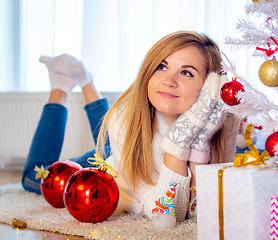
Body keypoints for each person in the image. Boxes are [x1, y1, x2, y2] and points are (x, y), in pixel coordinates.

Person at [22, 31, 239, 225]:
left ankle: (85, 80)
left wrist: (200, 133)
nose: (169, 80)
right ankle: (60, 90)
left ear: (208, 88)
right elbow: (166, 213)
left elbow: (202, 205)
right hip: (119, 162)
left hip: (130, 145)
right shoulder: (123, 120)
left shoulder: (222, 117)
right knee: (34, 177)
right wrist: (181, 137)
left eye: (186, 73)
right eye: (162, 67)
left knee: (115, 131)